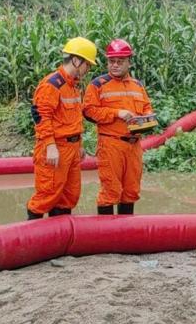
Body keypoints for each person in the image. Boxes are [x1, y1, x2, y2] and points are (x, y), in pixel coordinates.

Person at [27, 37, 97, 220]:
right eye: (87, 64)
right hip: (55, 148)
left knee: (69, 196)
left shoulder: (73, 86)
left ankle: (59, 241)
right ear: (76, 60)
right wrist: (50, 146)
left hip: (72, 149)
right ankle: (32, 240)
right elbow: (42, 117)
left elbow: (73, 119)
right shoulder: (52, 85)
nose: (88, 69)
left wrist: (79, 144)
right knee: (47, 195)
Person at [83, 39, 153, 215]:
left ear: (129, 62)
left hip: (134, 146)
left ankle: (126, 236)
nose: (114, 65)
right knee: (110, 191)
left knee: (131, 191)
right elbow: (89, 111)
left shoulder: (137, 85)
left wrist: (146, 119)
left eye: (120, 62)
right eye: (111, 61)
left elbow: (147, 108)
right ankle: (105, 237)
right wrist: (116, 113)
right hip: (111, 145)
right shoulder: (98, 85)